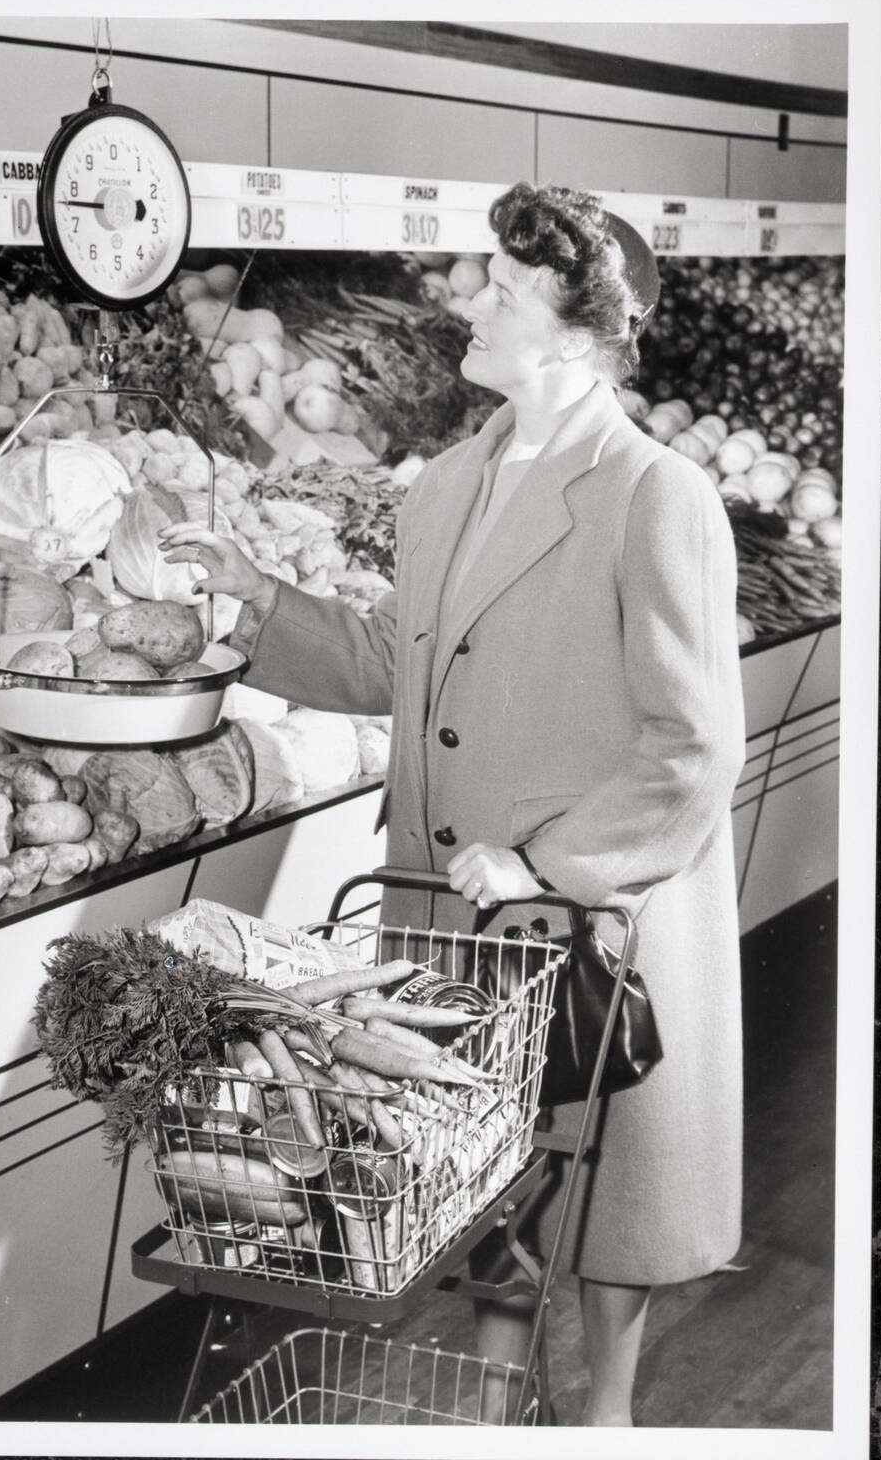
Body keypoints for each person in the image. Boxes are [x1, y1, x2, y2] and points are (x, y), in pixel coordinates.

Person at [159, 181, 746, 1427]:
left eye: (500, 286)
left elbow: (695, 741)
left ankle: (609, 1419)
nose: (468, 301)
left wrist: (552, 864)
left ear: (578, 332)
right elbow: (390, 661)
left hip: (589, 909)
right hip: (448, 897)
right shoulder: (449, 481)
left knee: (604, 1178)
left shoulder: (653, 492)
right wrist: (254, 596)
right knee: (478, 1169)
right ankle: (492, 1407)